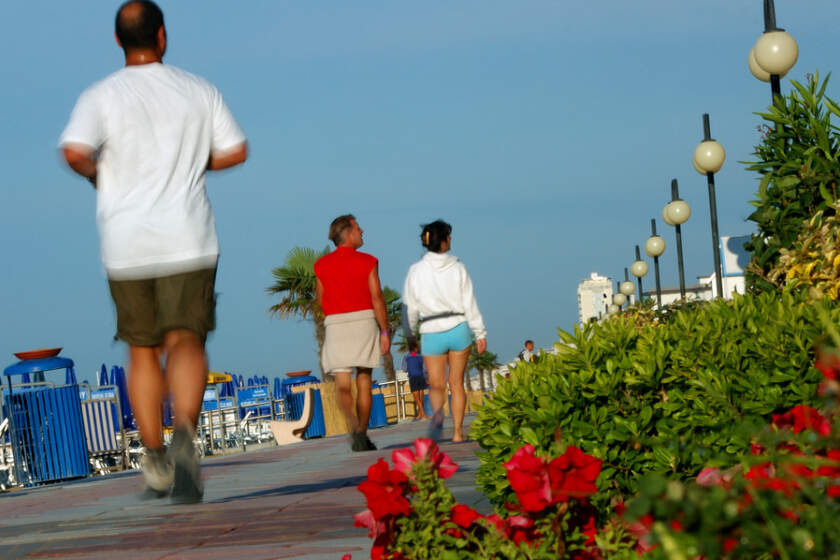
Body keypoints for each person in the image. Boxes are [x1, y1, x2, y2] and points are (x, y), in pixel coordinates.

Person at [59, 0, 247, 504]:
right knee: (187, 340)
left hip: (126, 242)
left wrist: (101, 174)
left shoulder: (100, 96)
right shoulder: (198, 90)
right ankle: (185, 434)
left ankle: (157, 460)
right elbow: (236, 150)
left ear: (118, 39)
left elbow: (74, 151)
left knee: (142, 349)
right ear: (162, 36)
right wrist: (191, 162)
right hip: (189, 237)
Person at [403, 220, 486, 443]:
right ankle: (458, 432)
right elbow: (470, 302)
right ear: (444, 241)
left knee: (437, 385)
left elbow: (409, 307)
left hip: (431, 330)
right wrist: (480, 332)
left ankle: (438, 419)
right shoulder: (459, 267)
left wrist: (410, 334)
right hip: (458, 327)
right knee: (457, 383)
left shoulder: (415, 271)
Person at [314, 215, 390, 451]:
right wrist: (385, 331)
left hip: (336, 323)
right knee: (364, 381)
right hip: (363, 321)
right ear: (348, 234)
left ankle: (353, 425)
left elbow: (320, 298)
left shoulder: (321, 265)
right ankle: (362, 435)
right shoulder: (368, 261)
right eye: (358, 228)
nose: (362, 231)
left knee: (343, 385)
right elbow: (377, 297)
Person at [401, 342, 428, 420]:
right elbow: (425, 369)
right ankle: (420, 414)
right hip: (421, 377)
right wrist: (426, 378)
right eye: (417, 348)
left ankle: (423, 414)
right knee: (421, 397)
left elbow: (404, 369)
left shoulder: (406, 357)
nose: (418, 349)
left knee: (417, 399)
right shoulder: (420, 357)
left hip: (413, 378)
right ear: (415, 349)